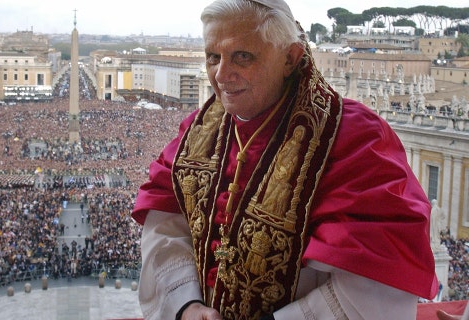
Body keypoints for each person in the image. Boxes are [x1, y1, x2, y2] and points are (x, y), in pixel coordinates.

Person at [131, 0, 438, 319]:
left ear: (290, 58)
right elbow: (167, 218)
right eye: (213, 57)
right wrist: (187, 305)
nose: (221, 75)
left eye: (242, 56)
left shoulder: (354, 137)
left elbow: (376, 282)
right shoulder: (199, 129)